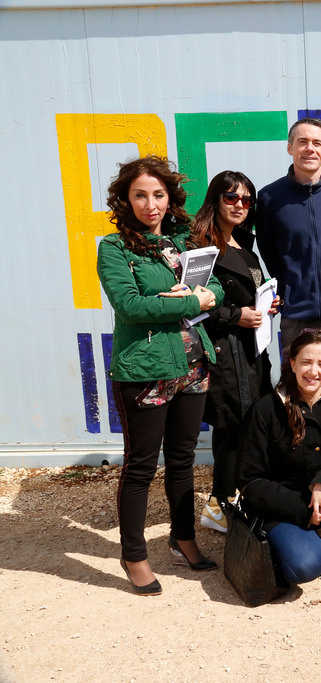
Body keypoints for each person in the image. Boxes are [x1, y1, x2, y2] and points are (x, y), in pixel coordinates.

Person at [97, 155, 223, 596]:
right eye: (140, 196)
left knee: (184, 459)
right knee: (141, 466)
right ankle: (133, 555)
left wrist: (203, 294)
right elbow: (130, 306)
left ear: (170, 198)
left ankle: (182, 538)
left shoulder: (183, 240)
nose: (150, 205)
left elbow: (214, 286)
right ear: (125, 200)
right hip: (145, 371)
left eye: (158, 195)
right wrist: (191, 301)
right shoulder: (115, 248)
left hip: (193, 367)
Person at [237, 329, 321, 586]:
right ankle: (297, 547)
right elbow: (250, 480)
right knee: (306, 566)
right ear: (292, 364)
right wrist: (302, 510)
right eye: (306, 362)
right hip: (279, 505)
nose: (313, 371)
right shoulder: (265, 409)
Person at [190, 170, 279, 532]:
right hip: (225, 352)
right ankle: (219, 504)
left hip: (252, 351)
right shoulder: (200, 247)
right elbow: (192, 305)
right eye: (231, 198)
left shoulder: (244, 243)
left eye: (246, 199)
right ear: (215, 200)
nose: (240, 205)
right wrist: (236, 316)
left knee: (249, 425)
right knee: (231, 428)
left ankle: (235, 496)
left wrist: (266, 304)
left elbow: (248, 294)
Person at [255, 117, 321, 366]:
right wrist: (289, 290)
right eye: (302, 141)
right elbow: (269, 252)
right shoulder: (270, 197)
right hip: (297, 319)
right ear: (290, 147)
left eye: (317, 143)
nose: (310, 148)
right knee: (299, 386)